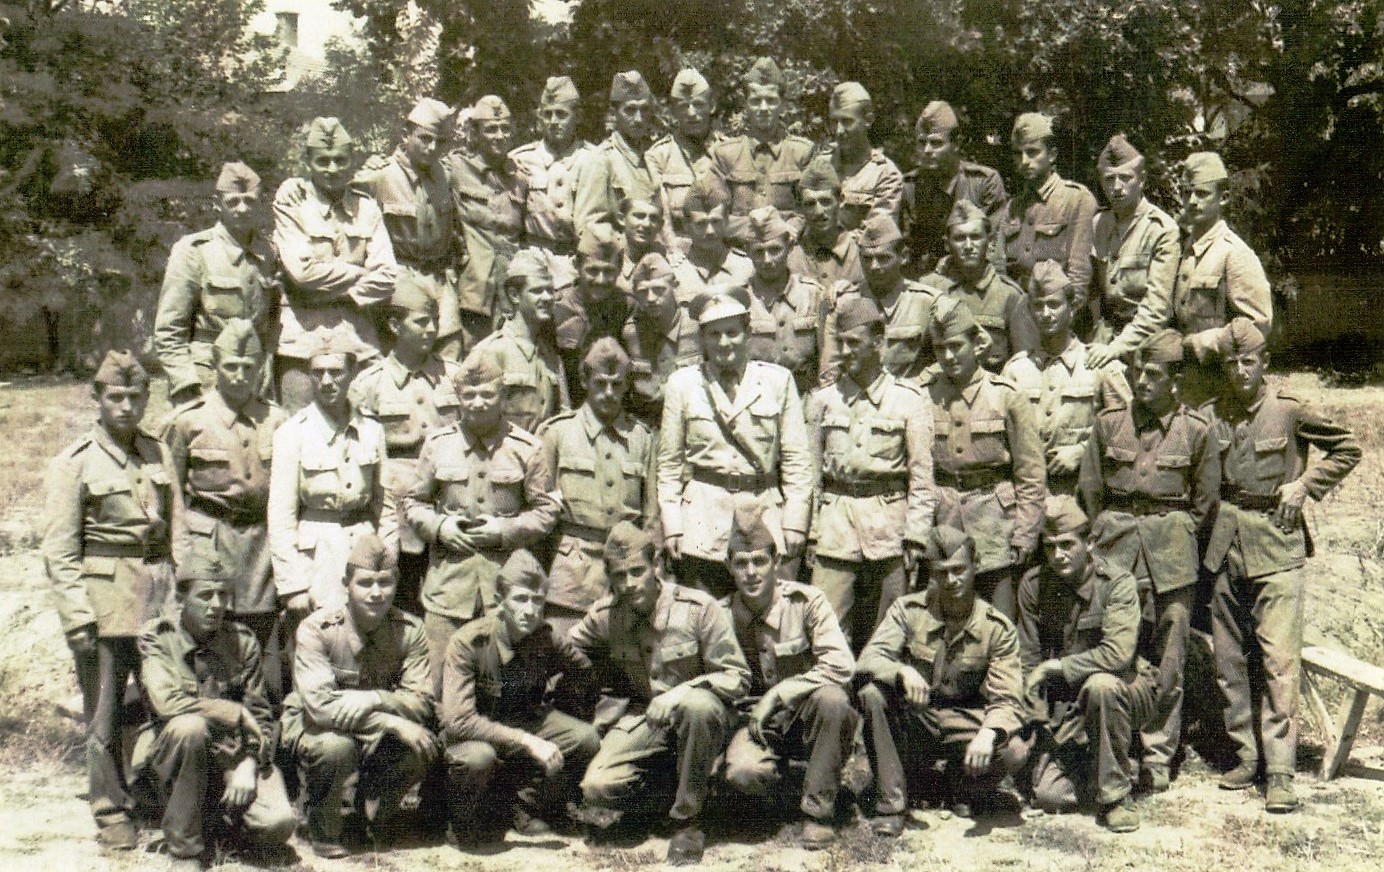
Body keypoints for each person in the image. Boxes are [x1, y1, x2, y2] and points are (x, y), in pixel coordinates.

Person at [1205, 319, 1360, 811]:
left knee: (1278, 663)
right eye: (1231, 363)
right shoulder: (1213, 414)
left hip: (1277, 543)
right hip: (1225, 544)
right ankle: (1245, 756)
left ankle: (1280, 771)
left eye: (1248, 361)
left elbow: (1348, 447)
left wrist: (1305, 485)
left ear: (1264, 363)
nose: (1239, 370)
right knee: (1229, 660)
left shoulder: (1289, 410)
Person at [42, 350, 180, 851]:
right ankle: (110, 809)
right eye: (115, 397)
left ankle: (166, 800)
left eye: (135, 397)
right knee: (103, 716)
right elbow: (59, 550)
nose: (125, 406)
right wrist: (77, 617)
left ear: (146, 399)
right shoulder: (75, 461)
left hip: (157, 602)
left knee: (168, 706)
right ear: (97, 398)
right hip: (102, 605)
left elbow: (178, 530)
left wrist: (181, 595)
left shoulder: (157, 452)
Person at [1081, 328, 1218, 792]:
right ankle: (1117, 749)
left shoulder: (1196, 431)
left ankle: (1158, 755)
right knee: (1116, 650)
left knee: (1168, 657)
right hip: (1116, 549)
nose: (1141, 381)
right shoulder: (1108, 423)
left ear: (1175, 381)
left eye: (1153, 374)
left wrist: (1174, 534)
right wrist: (1105, 533)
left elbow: (1205, 503)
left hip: (1172, 557)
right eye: (1138, 371)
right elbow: (1091, 489)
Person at [571, 522, 750, 865]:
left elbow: (737, 676)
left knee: (697, 706)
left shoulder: (698, 608)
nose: (629, 583)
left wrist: (680, 693)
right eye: (619, 575)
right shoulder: (606, 616)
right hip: (646, 719)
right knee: (597, 786)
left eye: (637, 571)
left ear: (656, 565)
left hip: (704, 721)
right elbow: (566, 649)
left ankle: (688, 821)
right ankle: (673, 795)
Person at [403, 351, 560, 692]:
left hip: (503, 593)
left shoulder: (526, 448)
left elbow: (547, 510)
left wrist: (504, 531)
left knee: (501, 690)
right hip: (448, 591)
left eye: (487, 394)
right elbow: (413, 503)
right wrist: (440, 528)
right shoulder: (438, 444)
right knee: (441, 687)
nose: (477, 403)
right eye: (469, 395)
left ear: (503, 397)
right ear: (458, 397)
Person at [856, 526, 1029, 834]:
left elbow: (1007, 698)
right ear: (932, 574)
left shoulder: (996, 627)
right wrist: (901, 671)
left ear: (976, 566)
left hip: (965, 720)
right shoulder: (908, 610)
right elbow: (868, 659)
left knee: (1013, 749)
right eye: (942, 572)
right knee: (872, 693)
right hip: (918, 719)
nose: (951, 580)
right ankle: (892, 804)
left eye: (959, 570)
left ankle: (963, 786)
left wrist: (988, 734)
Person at [281, 534, 438, 858]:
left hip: (367, 726)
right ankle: (323, 826)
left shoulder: (410, 631)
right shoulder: (317, 629)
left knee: (421, 742)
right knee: (336, 746)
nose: (376, 592)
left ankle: (373, 816)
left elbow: (421, 702)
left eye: (385, 583)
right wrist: (391, 722)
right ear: (346, 585)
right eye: (365, 583)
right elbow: (321, 707)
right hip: (317, 725)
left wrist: (375, 698)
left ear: (396, 584)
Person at [134, 556, 295, 869]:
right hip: (174, 755)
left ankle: (218, 825)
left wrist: (249, 763)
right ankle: (185, 850)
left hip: (231, 755)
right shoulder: (158, 638)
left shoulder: (242, 641)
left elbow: (261, 716)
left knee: (278, 824)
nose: (217, 605)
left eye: (223, 595)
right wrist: (230, 711)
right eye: (205, 596)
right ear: (181, 598)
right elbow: (166, 703)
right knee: (190, 727)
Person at [658, 285, 813, 597]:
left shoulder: (777, 381)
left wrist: (795, 522)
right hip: (702, 521)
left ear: (748, 332)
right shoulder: (683, 384)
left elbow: (797, 460)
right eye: (714, 334)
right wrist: (672, 525)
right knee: (705, 612)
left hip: (763, 516)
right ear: (702, 339)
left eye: (732, 332)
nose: (723, 342)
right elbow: (669, 465)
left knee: (766, 616)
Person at [440, 550, 599, 851]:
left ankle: (524, 804)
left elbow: (584, 671)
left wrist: (559, 704)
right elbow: (458, 721)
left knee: (584, 738)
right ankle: (460, 821)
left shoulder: (545, 638)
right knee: (479, 758)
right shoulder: (470, 642)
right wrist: (528, 740)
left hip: (520, 727)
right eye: (521, 599)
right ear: (500, 602)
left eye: (537, 601)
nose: (530, 610)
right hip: (472, 738)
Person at [718, 508, 857, 849]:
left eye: (759, 561)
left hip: (803, 716)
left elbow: (842, 664)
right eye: (741, 563)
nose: (751, 573)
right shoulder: (719, 616)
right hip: (753, 723)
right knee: (744, 773)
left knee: (834, 700)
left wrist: (779, 693)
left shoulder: (806, 602)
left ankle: (818, 810)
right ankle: (782, 787)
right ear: (728, 566)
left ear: (776, 561)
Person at [1018, 496, 1156, 833]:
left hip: (1125, 688)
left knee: (1101, 686)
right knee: (1049, 795)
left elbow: (1118, 655)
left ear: (1090, 543)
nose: (1058, 555)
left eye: (1067, 544)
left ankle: (1115, 797)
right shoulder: (1034, 585)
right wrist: (1037, 723)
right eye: (1049, 547)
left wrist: (1056, 667)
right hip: (1067, 703)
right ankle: (1108, 766)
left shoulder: (1117, 583)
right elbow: (1028, 660)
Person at [804, 296, 936, 650]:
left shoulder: (909, 399)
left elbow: (922, 478)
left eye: (854, 343)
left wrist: (915, 536)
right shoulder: (823, 401)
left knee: (889, 634)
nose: (845, 351)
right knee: (826, 629)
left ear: (878, 342)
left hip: (889, 530)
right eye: (841, 343)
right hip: (835, 529)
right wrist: (812, 533)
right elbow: (812, 476)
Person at [164, 319, 287, 695]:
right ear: (215, 366)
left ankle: (265, 715)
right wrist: (182, 552)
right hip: (210, 541)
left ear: (260, 367)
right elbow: (172, 495)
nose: (239, 375)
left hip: (261, 547)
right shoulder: (188, 421)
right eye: (231, 366)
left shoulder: (276, 419)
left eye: (248, 366)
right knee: (212, 639)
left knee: (264, 641)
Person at [921, 297, 1045, 619]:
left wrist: (1026, 531)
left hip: (995, 525)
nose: (948, 356)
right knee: (943, 619)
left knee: (999, 619)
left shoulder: (1006, 395)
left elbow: (1030, 471)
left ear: (976, 344)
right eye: (940, 348)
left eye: (955, 346)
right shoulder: (924, 396)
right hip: (943, 519)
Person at [347, 275, 462, 614]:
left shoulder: (453, 376)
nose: (432, 330)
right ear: (395, 325)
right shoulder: (370, 384)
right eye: (421, 322)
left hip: (447, 508)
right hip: (397, 516)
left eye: (435, 321)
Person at [272, 117, 397, 412]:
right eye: (323, 161)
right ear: (308, 162)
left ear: (352, 160)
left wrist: (330, 289)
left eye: (340, 160)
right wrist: (361, 273)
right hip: (303, 341)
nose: (332, 169)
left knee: (364, 424)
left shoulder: (367, 208)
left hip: (357, 341)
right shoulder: (292, 204)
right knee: (301, 427)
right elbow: (302, 273)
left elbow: (388, 276)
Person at [538, 338, 658, 637]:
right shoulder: (558, 433)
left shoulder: (642, 438)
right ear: (584, 381)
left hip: (625, 575)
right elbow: (540, 512)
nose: (609, 393)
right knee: (565, 654)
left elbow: (651, 516)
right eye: (600, 383)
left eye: (617, 385)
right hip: (569, 576)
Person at [267, 328, 385, 626]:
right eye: (318, 373)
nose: (327, 381)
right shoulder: (292, 433)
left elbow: (385, 506)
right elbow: (280, 517)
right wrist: (293, 585)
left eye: (336, 372)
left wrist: (385, 561)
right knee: (320, 637)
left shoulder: (372, 430)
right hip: (317, 559)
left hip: (365, 553)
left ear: (352, 373)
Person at [1001, 260, 1130, 496]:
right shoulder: (1016, 370)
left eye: (1054, 305)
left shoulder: (1098, 366)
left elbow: (1128, 428)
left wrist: (1082, 451)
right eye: (1038, 306)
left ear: (1072, 309)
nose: (1045, 314)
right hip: (1028, 494)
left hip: (1082, 493)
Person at [155, 161, 278, 405]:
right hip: (206, 376)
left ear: (261, 203)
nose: (242, 209)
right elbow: (169, 329)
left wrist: (268, 363)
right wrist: (186, 382)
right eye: (233, 202)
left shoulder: (269, 252)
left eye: (250, 201)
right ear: (216, 203)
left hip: (252, 378)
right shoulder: (194, 251)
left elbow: (273, 319)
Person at [355, 98, 468, 359]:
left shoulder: (445, 176)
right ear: (406, 134)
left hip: (440, 281)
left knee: (449, 354)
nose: (432, 148)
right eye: (425, 139)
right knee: (402, 359)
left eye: (440, 141)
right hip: (399, 280)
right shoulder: (378, 177)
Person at [1171, 152, 1273, 407]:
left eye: (1202, 194)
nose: (1192, 201)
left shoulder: (1234, 253)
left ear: (1224, 197)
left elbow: (1257, 326)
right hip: (1186, 383)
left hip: (1223, 387)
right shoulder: (1181, 248)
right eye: (1186, 193)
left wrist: (1198, 343)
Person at [1084, 134, 1181, 368]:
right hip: (1106, 336)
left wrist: (1116, 347)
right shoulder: (1099, 225)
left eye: (1125, 178)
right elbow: (1092, 290)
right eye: (1109, 179)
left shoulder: (1161, 229)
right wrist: (1099, 332)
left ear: (1142, 179)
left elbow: (1157, 309)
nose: (1117, 187)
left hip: (1148, 344)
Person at [920, 200, 1039, 373]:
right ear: (947, 244)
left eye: (975, 237)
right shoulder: (929, 289)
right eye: (960, 238)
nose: (968, 246)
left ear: (990, 241)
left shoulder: (1009, 295)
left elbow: (1024, 364)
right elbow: (915, 356)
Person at [993, 112, 1096, 311]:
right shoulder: (1014, 207)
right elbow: (998, 269)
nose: (1024, 161)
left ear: (1052, 155)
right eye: (1018, 154)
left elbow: (1079, 277)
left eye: (1032, 152)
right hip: (1017, 313)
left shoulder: (1077, 200)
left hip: (1058, 315)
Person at [710, 56, 815, 247]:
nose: (764, 108)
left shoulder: (802, 152)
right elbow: (715, 214)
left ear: (782, 104)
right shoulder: (725, 154)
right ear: (745, 105)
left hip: (788, 248)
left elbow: (812, 209)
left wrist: (791, 227)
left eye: (771, 100)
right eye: (756, 101)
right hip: (739, 251)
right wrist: (758, 227)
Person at [825, 211, 938, 382]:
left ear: (903, 256)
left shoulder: (927, 302)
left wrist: (920, 385)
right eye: (867, 259)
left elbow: (964, 350)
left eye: (883, 258)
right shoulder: (843, 303)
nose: (874, 266)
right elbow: (829, 369)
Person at [468, 248, 569, 433]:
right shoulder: (490, 352)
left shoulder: (551, 357)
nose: (547, 297)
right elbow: (473, 421)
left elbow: (565, 418)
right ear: (514, 295)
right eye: (537, 291)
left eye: (550, 290)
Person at [900, 101, 1007, 276]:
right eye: (922, 142)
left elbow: (992, 248)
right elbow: (904, 249)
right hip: (924, 281)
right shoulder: (909, 186)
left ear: (956, 143)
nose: (927, 150)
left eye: (936, 143)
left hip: (972, 278)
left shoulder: (984, 182)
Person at [743, 205, 832, 396]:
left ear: (790, 247)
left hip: (806, 397)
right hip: (758, 399)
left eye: (774, 250)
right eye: (758, 252)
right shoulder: (740, 300)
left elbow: (828, 361)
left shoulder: (814, 295)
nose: (767, 260)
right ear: (747, 252)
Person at [511, 76, 594, 256]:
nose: (553, 121)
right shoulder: (520, 160)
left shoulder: (593, 159)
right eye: (547, 114)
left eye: (561, 114)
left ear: (578, 117)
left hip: (580, 258)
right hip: (534, 258)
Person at [573, 70, 659, 233]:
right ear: (614, 114)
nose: (639, 119)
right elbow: (587, 227)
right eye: (630, 110)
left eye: (644, 109)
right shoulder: (601, 160)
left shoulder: (653, 157)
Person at [555, 225, 632, 406]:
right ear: (577, 265)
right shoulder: (556, 307)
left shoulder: (628, 306)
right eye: (592, 271)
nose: (601, 280)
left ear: (620, 268)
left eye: (609, 271)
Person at [622, 252, 699, 428]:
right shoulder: (631, 332)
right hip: (648, 426)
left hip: (693, 420)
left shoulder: (696, 325)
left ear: (675, 287)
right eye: (643, 292)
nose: (650, 298)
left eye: (659, 290)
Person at [646, 68, 723, 241]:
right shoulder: (658, 156)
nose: (691, 113)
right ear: (673, 112)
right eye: (683, 106)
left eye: (698, 104)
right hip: (677, 249)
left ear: (712, 106)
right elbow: (656, 219)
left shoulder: (729, 152)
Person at [814, 82, 903, 232]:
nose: (839, 131)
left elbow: (876, 234)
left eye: (847, 121)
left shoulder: (885, 175)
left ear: (868, 120)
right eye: (834, 122)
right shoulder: (820, 165)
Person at [669, 169, 755, 309]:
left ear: (727, 221)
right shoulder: (674, 273)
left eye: (716, 222)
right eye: (701, 224)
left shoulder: (747, 267)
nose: (710, 231)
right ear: (686, 226)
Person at [787, 160, 866, 298]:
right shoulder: (789, 252)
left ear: (841, 200)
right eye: (810, 204)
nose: (819, 211)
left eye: (826, 202)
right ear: (800, 207)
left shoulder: (861, 252)